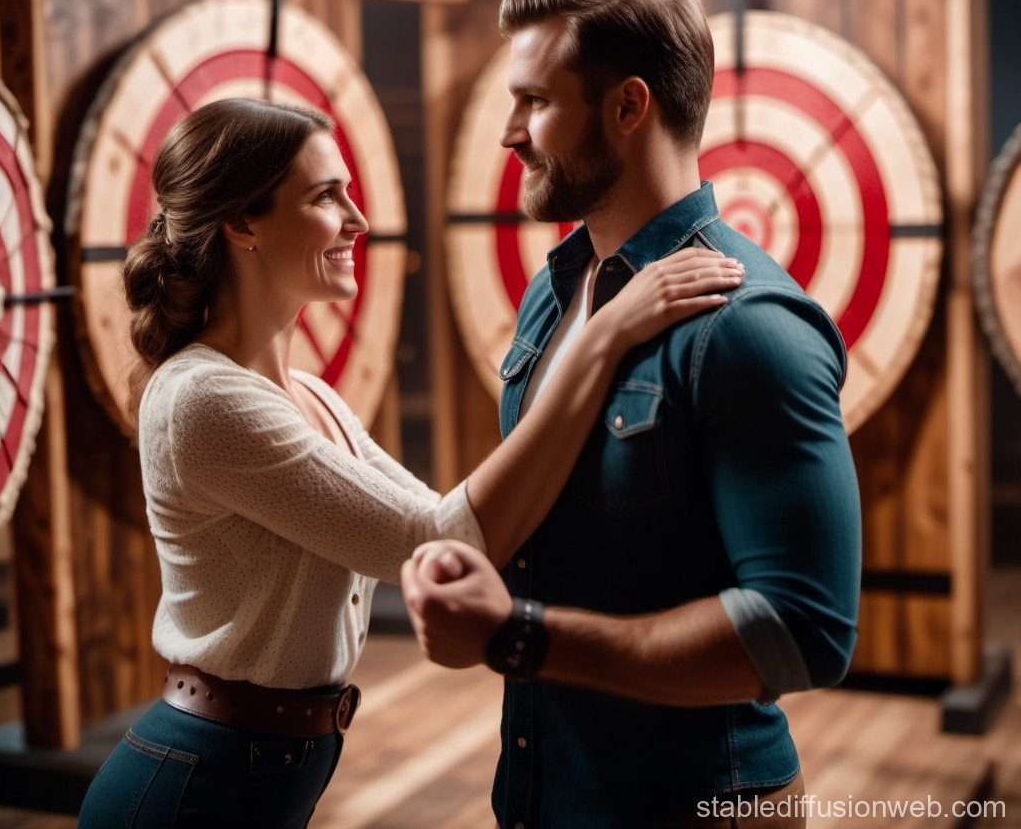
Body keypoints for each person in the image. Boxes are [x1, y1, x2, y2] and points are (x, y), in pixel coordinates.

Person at [76, 96, 744, 829]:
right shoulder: (203, 400)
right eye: (327, 197)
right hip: (191, 787)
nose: (359, 222)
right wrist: (601, 339)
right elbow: (441, 539)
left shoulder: (308, 395)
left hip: (261, 772)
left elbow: (452, 526)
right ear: (242, 224)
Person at [400, 0, 862, 829]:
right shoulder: (554, 290)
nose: (509, 133)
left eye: (534, 101)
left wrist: (520, 636)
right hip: (546, 796)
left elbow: (804, 631)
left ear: (627, 107)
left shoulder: (748, 327)